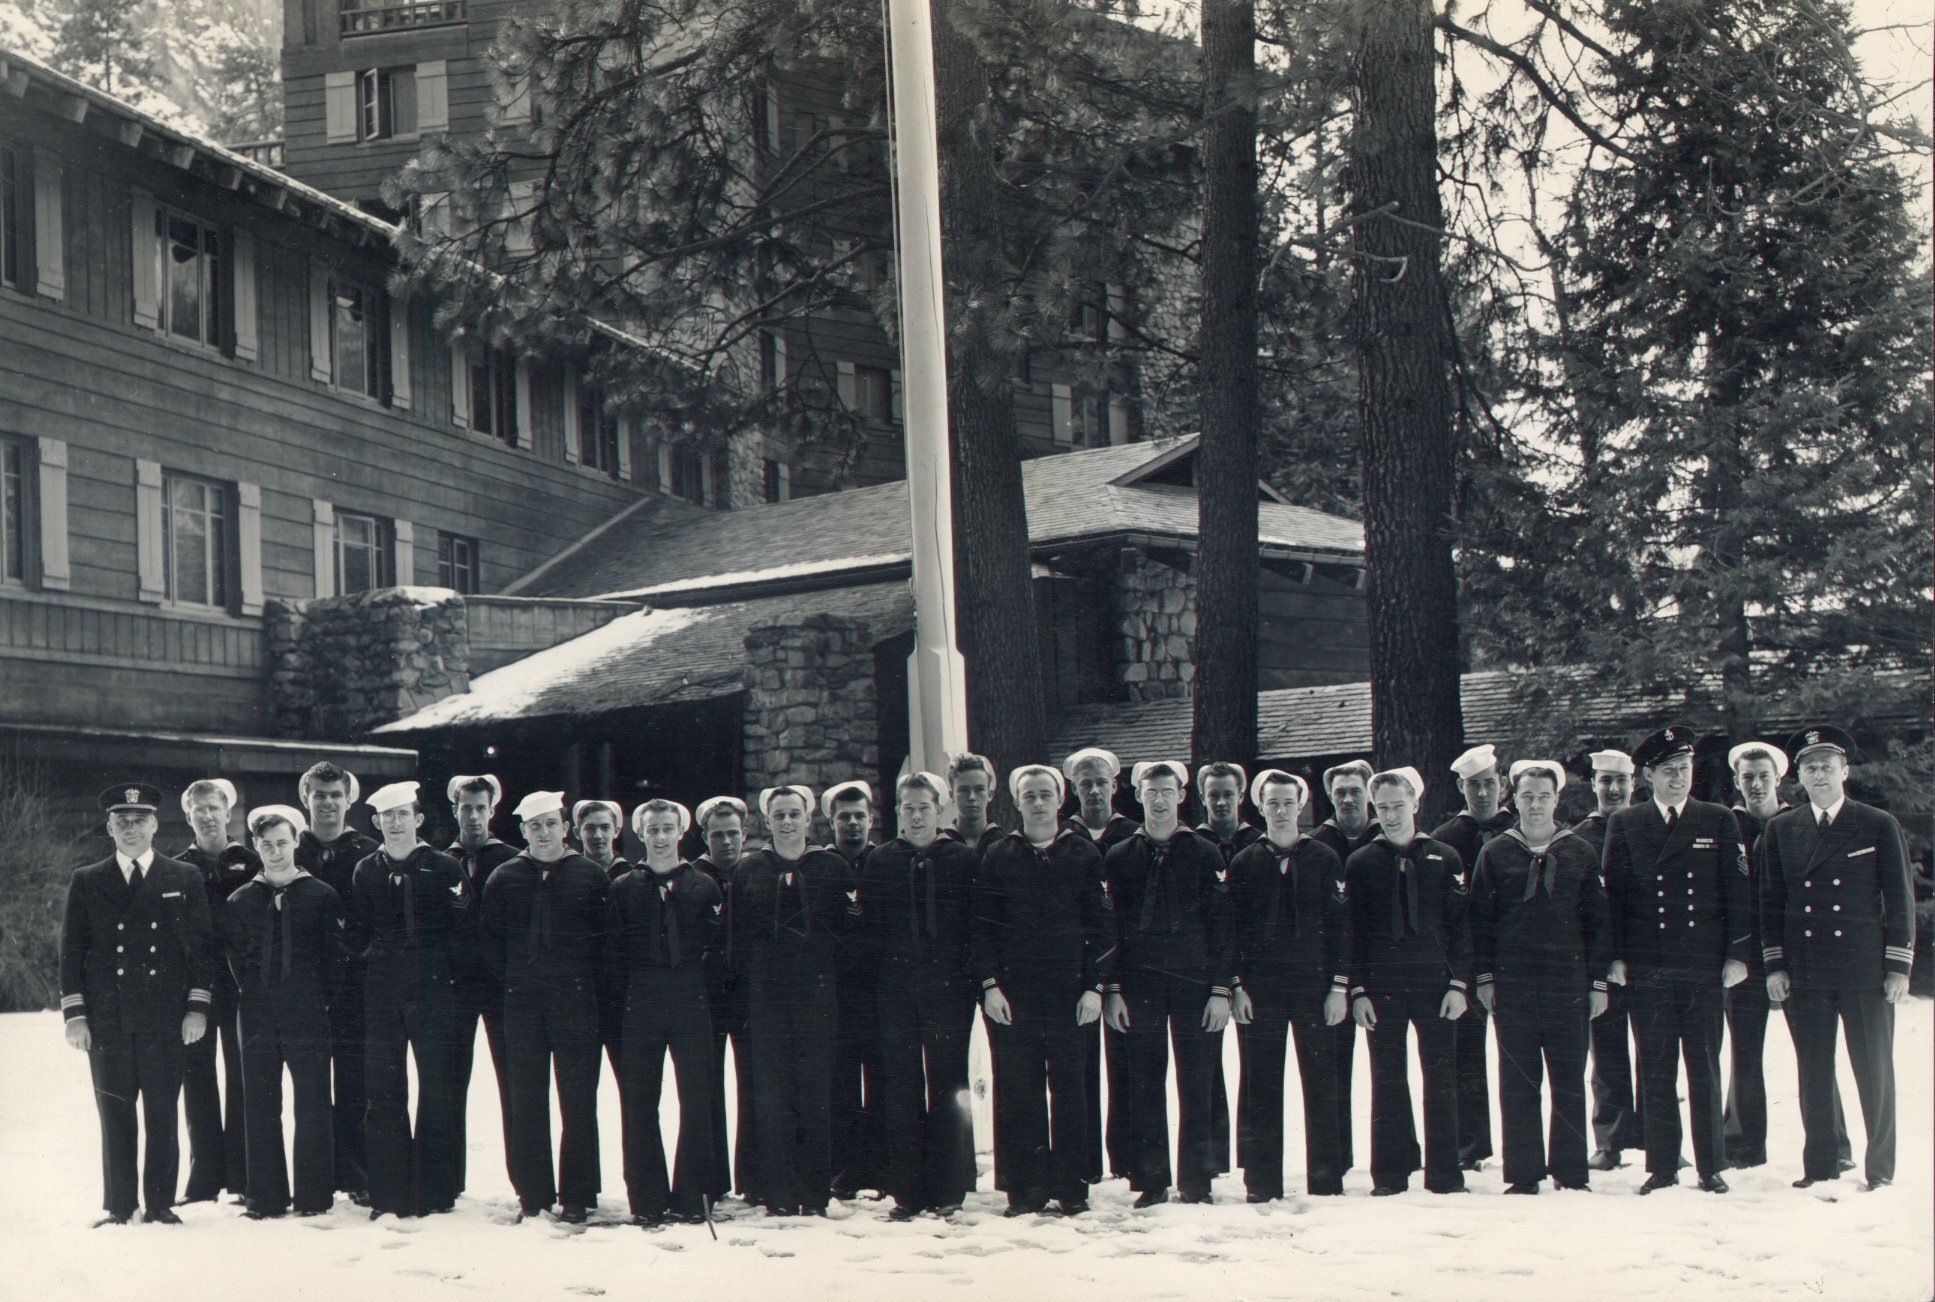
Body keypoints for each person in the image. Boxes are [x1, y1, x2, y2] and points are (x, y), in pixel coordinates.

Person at [1759, 726, 1914, 1192]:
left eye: (1828, 766)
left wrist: (1898, 967)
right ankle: (1822, 1163)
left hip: (1863, 969)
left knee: (1874, 1069)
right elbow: (1770, 901)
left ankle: (1880, 1168)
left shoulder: (1876, 823)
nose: (1819, 775)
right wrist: (1774, 964)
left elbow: (1899, 899)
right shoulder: (1782, 829)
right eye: (1810, 767)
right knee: (1814, 1067)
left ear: (1845, 771)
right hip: (1806, 969)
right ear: (1798, 778)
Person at [1602, 726, 1751, 1195]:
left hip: (1704, 966)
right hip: (1650, 968)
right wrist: (1615, 957)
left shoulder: (1718, 819)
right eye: (1669, 771)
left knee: (1704, 1067)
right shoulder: (1626, 824)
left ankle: (1711, 1166)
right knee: (1657, 1068)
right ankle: (1662, 1165)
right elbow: (1615, 900)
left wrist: (1737, 955)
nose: (1679, 778)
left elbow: (1739, 894)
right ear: (1648, 776)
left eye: (1685, 769)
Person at [60, 783, 215, 1226]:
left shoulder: (183, 878)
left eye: (139, 820)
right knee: (115, 1115)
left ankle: (161, 1203)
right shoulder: (87, 880)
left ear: (155, 825)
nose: (131, 829)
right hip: (109, 1020)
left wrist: (196, 1007)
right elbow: (72, 953)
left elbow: (201, 950)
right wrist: (75, 1015)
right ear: (109, 827)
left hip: (166, 1019)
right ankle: (119, 1204)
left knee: (163, 1113)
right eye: (121, 821)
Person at [975, 764, 1115, 1217]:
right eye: (1029, 795)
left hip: (1069, 994)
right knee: (1019, 1088)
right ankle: (1025, 1188)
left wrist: (1094, 987)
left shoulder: (1082, 853)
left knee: (1071, 1088)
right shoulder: (1000, 855)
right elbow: (982, 929)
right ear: (1017, 803)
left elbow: (1104, 928)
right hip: (1015, 996)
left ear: (1060, 800)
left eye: (1045, 795)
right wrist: (991, 987)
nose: (1038, 803)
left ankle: (1072, 1187)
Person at [1470, 761, 1611, 1194]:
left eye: (1543, 796)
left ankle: (1570, 1171)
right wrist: (1485, 978)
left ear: (1557, 800)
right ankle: (1524, 1173)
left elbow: (1598, 924)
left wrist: (1597, 984)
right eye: (1527, 796)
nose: (1535, 804)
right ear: (1514, 798)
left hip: (1567, 985)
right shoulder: (1496, 852)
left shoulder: (1579, 852)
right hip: (1514, 986)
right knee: (1518, 1079)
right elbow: (1478, 921)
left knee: (1568, 1077)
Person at [1102, 759, 1233, 1207]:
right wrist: (1114, 989)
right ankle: (1152, 1179)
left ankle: (1197, 1180)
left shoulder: (1203, 852)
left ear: (1181, 796)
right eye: (1150, 792)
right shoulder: (1120, 856)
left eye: (1167, 791)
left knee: (1198, 1081)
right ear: (1138, 796)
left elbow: (1223, 928)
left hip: (1193, 982)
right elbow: (1111, 929)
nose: (1159, 800)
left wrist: (1220, 990)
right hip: (1141, 984)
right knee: (1144, 1081)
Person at [727, 785, 861, 1216]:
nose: (787, 822)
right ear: (768, 822)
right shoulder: (750, 870)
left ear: (808, 820)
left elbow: (850, 938)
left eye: (794, 815)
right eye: (779, 815)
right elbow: (735, 941)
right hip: (767, 997)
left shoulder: (832, 868)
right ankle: (779, 1194)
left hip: (817, 995)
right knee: (772, 1094)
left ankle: (814, 1193)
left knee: (815, 1092)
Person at [1720, 742, 1853, 1173]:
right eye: (1747, 777)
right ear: (1736, 782)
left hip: (1797, 956)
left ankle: (1833, 1146)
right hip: (1743, 956)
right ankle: (1742, 1148)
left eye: (1763, 776)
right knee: (1744, 1052)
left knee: (1814, 1053)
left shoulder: (1800, 823)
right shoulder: (1724, 826)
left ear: (1778, 779)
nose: (1755, 785)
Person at [482, 790, 610, 1223]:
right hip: (523, 1005)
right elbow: (492, 944)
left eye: (551, 824)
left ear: (564, 829)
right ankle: (532, 1194)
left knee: (577, 1099)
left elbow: (605, 945)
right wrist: (518, 983)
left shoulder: (590, 877)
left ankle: (577, 1194)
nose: (543, 832)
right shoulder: (504, 877)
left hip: (575, 1002)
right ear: (523, 831)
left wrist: (579, 986)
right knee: (527, 1099)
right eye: (534, 826)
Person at [1347, 767, 1471, 1197]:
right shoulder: (1361, 862)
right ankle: (1390, 1176)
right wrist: (1358, 990)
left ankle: (1444, 1175)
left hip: (1435, 987)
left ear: (1415, 803)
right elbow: (1353, 934)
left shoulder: (1444, 857)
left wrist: (1459, 985)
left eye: (1399, 806)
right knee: (1387, 1080)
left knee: (1441, 1079)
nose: (1391, 815)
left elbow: (1461, 929)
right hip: (1382, 989)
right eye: (1382, 808)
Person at [860, 772, 979, 1220]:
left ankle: (949, 1187)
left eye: (923, 807)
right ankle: (907, 1189)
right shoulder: (882, 861)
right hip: (896, 989)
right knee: (901, 1085)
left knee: (948, 1084)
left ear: (940, 810)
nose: (915, 816)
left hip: (948, 990)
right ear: (897, 813)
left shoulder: (962, 860)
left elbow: (973, 928)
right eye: (907, 808)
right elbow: (870, 930)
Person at [1229, 769, 1350, 1200]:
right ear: (1259, 807)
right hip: (1261, 990)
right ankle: (1261, 1183)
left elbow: (1341, 929)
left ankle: (1325, 1179)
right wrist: (1237, 986)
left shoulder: (1324, 858)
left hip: (1314, 987)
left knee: (1322, 1082)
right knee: (1261, 1082)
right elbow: (1234, 933)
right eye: (1272, 803)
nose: (1280, 811)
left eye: (1288, 803)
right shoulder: (1245, 862)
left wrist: (1339, 988)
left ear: (1301, 806)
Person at [351, 781, 470, 1219]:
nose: (395, 823)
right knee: (383, 1088)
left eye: (403, 814)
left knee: (436, 1086)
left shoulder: (445, 868)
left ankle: (433, 1191)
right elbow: (359, 931)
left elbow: (462, 933)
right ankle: (388, 1191)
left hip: (432, 984)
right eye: (387, 816)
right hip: (382, 987)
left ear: (418, 820)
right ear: (377, 822)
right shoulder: (366, 870)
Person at [222, 805, 343, 1219]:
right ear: (256, 846)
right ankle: (266, 1197)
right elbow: (236, 959)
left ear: (295, 842)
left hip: (307, 1009)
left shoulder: (320, 895)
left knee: (312, 1101)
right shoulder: (241, 899)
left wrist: (312, 999)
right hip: (256, 1010)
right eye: (266, 844)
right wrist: (258, 993)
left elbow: (333, 960)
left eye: (283, 843)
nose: (275, 852)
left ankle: (314, 1196)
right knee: (259, 1101)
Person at [607, 800, 723, 1226]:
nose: (659, 837)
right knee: (639, 1100)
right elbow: (613, 954)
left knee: (696, 1097)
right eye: (652, 829)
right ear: (641, 833)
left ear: (681, 833)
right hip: (643, 997)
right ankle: (647, 1198)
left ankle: (694, 1196)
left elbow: (718, 950)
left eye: (667, 829)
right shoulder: (624, 887)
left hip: (690, 996)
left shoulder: (702, 886)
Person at [295, 761, 378, 1203]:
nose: (327, 803)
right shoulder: (290, 850)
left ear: (350, 800)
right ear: (304, 798)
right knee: (309, 1083)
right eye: (319, 795)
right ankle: (315, 1174)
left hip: (353, 986)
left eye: (335, 795)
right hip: (302, 988)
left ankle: (358, 1172)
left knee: (353, 1080)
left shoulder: (368, 851)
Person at [174, 777, 256, 1205]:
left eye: (213, 807)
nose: (206, 815)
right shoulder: (176, 867)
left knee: (244, 1077)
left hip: (242, 986)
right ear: (188, 816)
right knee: (198, 1078)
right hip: (195, 991)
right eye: (198, 809)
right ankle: (204, 1180)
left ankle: (243, 1178)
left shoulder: (252, 860)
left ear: (229, 813)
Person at [1432, 743, 1512, 1172]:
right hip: (1466, 964)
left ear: (1501, 784)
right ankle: (1470, 1144)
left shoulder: (1520, 829)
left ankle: (1524, 1143)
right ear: (1461, 788)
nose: (1482, 794)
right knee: (1465, 1055)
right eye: (1473, 786)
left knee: (1519, 1054)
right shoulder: (1446, 840)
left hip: (1514, 961)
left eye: (1489, 783)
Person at [1060, 746, 1137, 1183]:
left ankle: (1125, 1157)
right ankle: (1086, 1162)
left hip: (1125, 963)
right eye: (1084, 783)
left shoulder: (1132, 834)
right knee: (1082, 1065)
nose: (1093, 790)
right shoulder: (1065, 836)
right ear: (1072, 788)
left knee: (1125, 1062)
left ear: (1115, 785)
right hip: (1080, 968)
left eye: (1101, 782)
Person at [446, 774, 521, 1198]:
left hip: (500, 988)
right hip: (455, 988)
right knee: (449, 1082)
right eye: (465, 807)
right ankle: (447, 1182)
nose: (472, 815)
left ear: (492, 811)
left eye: (480, 807)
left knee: (514, 1083)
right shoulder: (439, 861)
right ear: (454, 809)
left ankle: (525, 1183)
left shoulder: (512, 861)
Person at [1573, 748, 1644, 1171]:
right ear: (1594, 786)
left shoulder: (1649, 826)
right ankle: (1610, 1141)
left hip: (1649, 958)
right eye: (1605, 782)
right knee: (1608, 1053)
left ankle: (1661, 1136)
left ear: (1633, 784)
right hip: (1602, 962)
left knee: (1657, 1052)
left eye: (1621, 781)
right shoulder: (1581, 837)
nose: (1613, 790)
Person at [1310, 758, 1379, 1176]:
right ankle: (1336, 1156)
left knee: (1389, 1068)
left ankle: (1396, 1154)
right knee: (1333, 1064)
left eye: (1355, 791)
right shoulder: (1319, 844)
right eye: (1340, 793)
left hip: (1381, 964)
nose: (1349, 799)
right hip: (1333, 969)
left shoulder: (1386, 835)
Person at [822, 779, 885, 1200]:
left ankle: (880, 1167)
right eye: (844, 816)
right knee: (840, 1082)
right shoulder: (821, 866)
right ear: (831, 822)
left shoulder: (885, 862)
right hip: (837, 992)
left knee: (882, 1080)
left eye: (859, 815)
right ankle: (844, 1168)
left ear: (871, 819)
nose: (852, 823)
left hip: (880, 991)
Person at [693, 795, 756, 1207]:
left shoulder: (757, 871)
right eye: (718, 835)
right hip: (708, 994)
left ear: (745, 835)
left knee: (754, 1084)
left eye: (733, 834)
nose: (727, 842)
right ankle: (711, 1181)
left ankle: (754, 1177)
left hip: (751, 994)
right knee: (706, 1086)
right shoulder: (694, 877)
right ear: (704, 837)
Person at [1192, 761, 1253, 1179]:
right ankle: (1210, 1157)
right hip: (1209, 963)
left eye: (1228, 793)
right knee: (1206, 1065)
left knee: (1255, 1064)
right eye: (1213, 794)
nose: (1220, 801)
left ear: (1241, 795)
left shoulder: (1258, 841)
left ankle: (1252, 1154)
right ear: (1202, 798)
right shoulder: (1193, 844)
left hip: (1253, 967)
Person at [573, 798, 629, 1085]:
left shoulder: (631, 876)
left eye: (605, 827)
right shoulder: (568, 876)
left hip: (621, 998)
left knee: (632, 1086)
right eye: (589, 828)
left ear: (617, 830)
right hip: (581, 996)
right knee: (580, 1089)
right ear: (576, 832)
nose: (597, 835)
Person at [945, 753, 1004, 855]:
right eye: (963, 790)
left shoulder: (1006, 845)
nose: (971, 797)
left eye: (979, 789)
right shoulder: (940, 846)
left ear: (990, 794)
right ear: (951, 795)